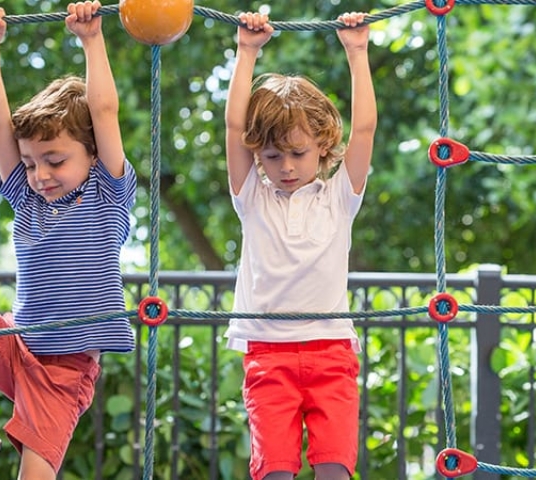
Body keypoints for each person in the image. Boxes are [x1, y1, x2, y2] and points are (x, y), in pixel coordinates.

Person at [0, 1, 136, 478]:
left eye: (55, 160)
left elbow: (104, 112)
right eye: (30, 163)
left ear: (91, 155)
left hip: (64, 373)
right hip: (16, 344)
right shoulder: (27, 200)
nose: (40, 174)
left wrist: (92, 39)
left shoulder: (106, 195)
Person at [224, 10, 376, 480]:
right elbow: (233, 128)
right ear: (257, 156)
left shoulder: (339, 197)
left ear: (324, 148)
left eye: (298, 153)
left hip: (331, 352)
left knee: (335, 470)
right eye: (272, 155)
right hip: (268, 355)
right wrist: (247, 51)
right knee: (275, 472)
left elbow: (365, 129)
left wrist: (357, 51)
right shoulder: (252, 197)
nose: (286, 166)